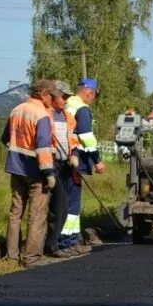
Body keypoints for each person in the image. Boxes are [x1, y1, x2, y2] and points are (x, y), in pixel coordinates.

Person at [0, 79, 56, 267]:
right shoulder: (41, 115)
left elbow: (5, 138)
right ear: (43, 94)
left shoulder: (16, 110)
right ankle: (31, 258)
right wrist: (49, 173)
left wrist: (18, 152)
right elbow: (43, 147)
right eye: (51, 96)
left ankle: (11, 255)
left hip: (16, 169)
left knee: (15, 213)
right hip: (36, 172)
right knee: (37, 215)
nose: (52, 100)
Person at [45, 80, 92, 257]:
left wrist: (73, 154)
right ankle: (60, 243)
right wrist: (96, 160)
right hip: (51, 165)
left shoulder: (66, 114)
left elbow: (72, 138)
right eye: (62, 97)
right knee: (61, 206)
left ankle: (62, 242)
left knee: (62, 205)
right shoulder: (46, 114)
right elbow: (86, 138)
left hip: (66, 162)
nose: (65, 100)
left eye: (66, 97)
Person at [64, 77, 106, 246]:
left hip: (62, 158)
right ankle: (69, 241)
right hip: (76, 160)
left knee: (63, 200)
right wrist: (97, 161)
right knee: (73, 203)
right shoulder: (82, 109)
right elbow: (87, 138)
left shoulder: (67, 105)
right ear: (89, 93)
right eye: (94, 96)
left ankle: (64, 239)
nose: (93, 100)